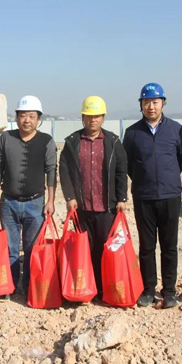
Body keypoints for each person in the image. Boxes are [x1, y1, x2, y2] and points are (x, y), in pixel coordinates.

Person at [123, 82, 182, 309]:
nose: (151, 106)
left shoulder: (175, 129)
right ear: (141, 105)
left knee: (169, 245)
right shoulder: (132, 133)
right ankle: (148, 290)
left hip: (170, 195)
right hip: (144, 196)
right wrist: (144, 180)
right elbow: (128, 164)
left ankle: (169, 291)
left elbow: (180, 159)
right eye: (146, 102)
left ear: (163, 104)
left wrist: (166, 180)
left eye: (155, 102)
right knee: (147, 246)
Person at [59, 96, 128, 300]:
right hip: (82, 207)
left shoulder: (113, 141)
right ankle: (87, 288)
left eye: (97, 116)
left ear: (103, 117)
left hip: (107, 206)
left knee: (104, 248)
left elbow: (121, 171)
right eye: (89, 116)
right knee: (84, 249)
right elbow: (64, 170)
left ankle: (104, 287)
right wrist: (70, 196)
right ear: (83, 117)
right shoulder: (72, 142)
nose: (93, 120)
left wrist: (122, 198)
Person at [0, 95, 57, 298]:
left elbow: (51, 171)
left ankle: (29, 287)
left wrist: (51, 201)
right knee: (9, 248)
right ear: (17, 117)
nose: (27, 120)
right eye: (22, 115)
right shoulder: (6, 138)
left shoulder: (46, 141)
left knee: (31, 248)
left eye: (31, 116)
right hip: (8, 202)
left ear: (38, 118)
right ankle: (8, 287)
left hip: (35, 203)